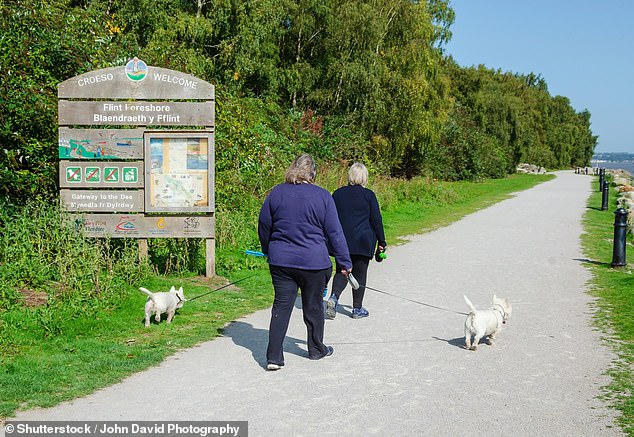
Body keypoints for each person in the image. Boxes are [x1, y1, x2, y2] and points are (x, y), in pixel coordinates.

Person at [258, 153, 352, 370]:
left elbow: (264, 224)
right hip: (314, 262)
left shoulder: (277, 192)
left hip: (281, 261)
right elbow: (335, 232)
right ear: (313, 173)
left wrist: (267, 249)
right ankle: (316, 349)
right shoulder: (322, 196)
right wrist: (344, 262)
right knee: (313, 307)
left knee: (281, 306)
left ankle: (274, 357)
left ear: (293, 169)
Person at [326, 162, 387, 319]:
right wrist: (382, 241)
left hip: (342, 242)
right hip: (363, 241)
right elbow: (376, 220)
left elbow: (330, 218)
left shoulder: (338, 194)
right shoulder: (369, 196)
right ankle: (357, 309)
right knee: (360, 274)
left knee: (341, 270)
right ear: (364, 177)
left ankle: (334, 297)